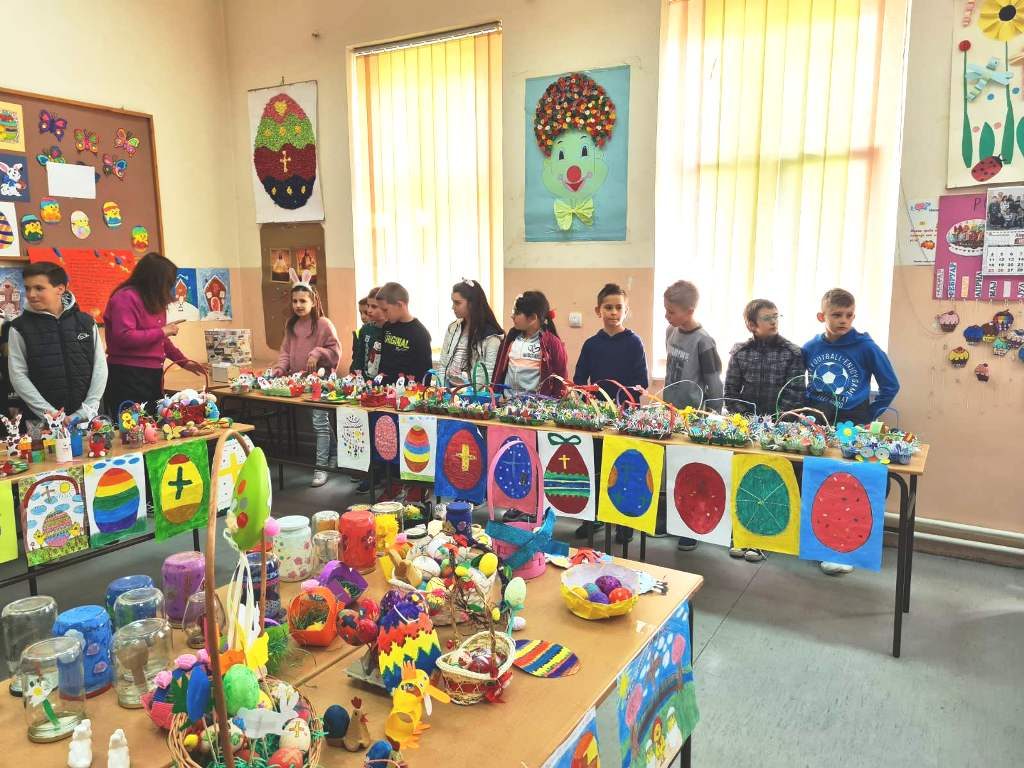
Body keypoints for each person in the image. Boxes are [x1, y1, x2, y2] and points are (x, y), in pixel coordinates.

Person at [804, 287, 900, 576]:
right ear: (821, 316)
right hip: (819, 423)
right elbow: (797, 381)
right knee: (819, 480)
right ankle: (820, 542)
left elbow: (890, 385)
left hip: (853, 423)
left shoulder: (866, 347)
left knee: (850, 482)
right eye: (837, 315)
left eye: (849, 315)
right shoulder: (810, 347)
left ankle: (845, 548)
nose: (843, 320)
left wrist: (869, 415)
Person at [723, 299, 805, 563]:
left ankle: (763, 539)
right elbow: (730, 393)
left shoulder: (792, 353)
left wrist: (773, 426)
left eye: (776, 316)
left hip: (779, 431)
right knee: (745, 481)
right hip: (747, 430)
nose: (773, 321)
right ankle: (741, 535)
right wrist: (748, 424)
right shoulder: (740, 352)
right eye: (767, 318)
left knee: (771, 483)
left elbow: (795, 394)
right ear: (751, 324)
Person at [572, 283, 648, 541]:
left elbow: (641, 382)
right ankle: (593, 517)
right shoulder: (591, 344)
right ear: (598, 310)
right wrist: (584, 402)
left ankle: (623, 523)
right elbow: (580, 380)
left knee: (624, 468)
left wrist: (625, 406)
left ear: (626, 310)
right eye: (608, 307)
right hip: (596, 418)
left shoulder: (634, 343)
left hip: (626, 418)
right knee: (595, 467)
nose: (613, 312)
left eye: (618, 308)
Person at [103, 253, 205, 414]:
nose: (169, 288)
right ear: (155, 280)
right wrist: (163, 331)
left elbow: (161, 340)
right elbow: (123, 337)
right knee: (130, 423)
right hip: (128, 374)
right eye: (168, 282)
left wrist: (183, 362)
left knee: (155, 422)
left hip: (153, 374)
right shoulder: (125, 298)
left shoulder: (153, 300)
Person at [663, 280, 723, 552]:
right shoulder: (671, 331)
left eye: (671, 311)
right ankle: (670, 518)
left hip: (694, 418)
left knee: (692, 473)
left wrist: (714, 417)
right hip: (670, 413)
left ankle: (691, 526)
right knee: (671, 469)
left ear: (689, 311)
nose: (667, 316)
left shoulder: (704, 341)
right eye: (666, 310)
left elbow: (714, 382)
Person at [7, 262, 107, 425]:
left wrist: (86, 410)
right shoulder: (19, 327)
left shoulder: (86, 322)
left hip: (88, 417)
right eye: (27, 288)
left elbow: (100, 368)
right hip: (43, 421)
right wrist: (50, 413)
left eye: (39, 288)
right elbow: (18, 375)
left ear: (60, 289)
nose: (31, 294)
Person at [272, 271, 341, 487]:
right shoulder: (290, 325)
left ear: (313, 301)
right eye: (295, 301)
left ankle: (321, 468)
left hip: (321, 382)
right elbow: (285, 351)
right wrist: (280, 368)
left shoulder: (324, 324)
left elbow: (336, 352)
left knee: (320, 423)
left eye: (303, 301)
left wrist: (318, 352)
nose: (298, 305)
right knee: (321, 423)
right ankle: (334, 456)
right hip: (299, 383)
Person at [493, 290, 568, 396]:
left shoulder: (552, 343)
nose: (512, 316)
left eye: (517, 313)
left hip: (534, 404)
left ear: (532, 318)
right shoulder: (511, 339)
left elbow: (560, 379)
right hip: (507, 401)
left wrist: (556, 401)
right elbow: (499, 370)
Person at [438, 279, 504, 387]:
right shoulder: (453, 327)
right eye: (453, 302)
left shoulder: (491, 336)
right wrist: (441, 389)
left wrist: (475, 394)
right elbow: (443, 364)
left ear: (472, 304)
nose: (453, 307)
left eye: (457, 303)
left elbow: (488, 375)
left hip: (473, 393)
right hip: (448, 390)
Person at [376, 282, 432, 383]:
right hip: (384, 389)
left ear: (399, 305)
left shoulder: (420, 333)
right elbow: (383, 362)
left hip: (407, 390)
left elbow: (425, 374)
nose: (383, 315)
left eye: (385, 310)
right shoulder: (387, 327)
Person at [350, 287, 383, 378]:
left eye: (373, 307)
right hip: (364, 379)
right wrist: (354, 375)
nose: (369, 311)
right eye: (368, 306)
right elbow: (357, 359)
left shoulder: (391, 330)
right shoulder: (364, 330)